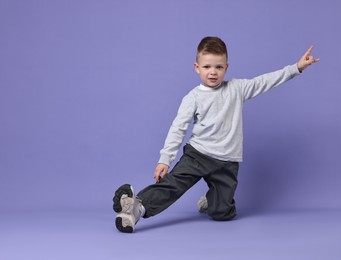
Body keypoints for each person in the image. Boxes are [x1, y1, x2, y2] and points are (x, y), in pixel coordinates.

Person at [112, 36, 319, 233]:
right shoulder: (193, 97)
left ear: (226, 68)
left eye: (219, 67)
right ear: (197, 68)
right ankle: (136, 208)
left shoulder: (237, 88)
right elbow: (178, 128)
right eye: (207, 66)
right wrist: (165, 159)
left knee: (223, 213)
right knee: (173, 184)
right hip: (198, 155)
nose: (213, 72)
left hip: (227, 162)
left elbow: (265, 81)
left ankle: (213, 200)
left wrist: (296, 68)